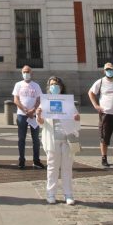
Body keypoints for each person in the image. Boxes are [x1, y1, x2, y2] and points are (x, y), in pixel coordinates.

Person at [36, 75, 81, 205]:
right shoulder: (45, 102)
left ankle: (68, 194)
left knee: (67, 167)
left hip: (67, 138)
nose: (54, 86)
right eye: (51, 84)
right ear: (49, 87)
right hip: (52, 138)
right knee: (52, 168)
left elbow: (76, 120)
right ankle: (51, 194)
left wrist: (77, 118)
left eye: (56, 84)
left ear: (61, 87)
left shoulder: (68, 102)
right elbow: (41, 123)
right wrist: (38, 115)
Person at [12, 65, 44, 169]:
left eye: (28, 72)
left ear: (31, 73)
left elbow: (39, 100)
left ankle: (36, 160)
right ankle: (21, 160)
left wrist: (33, 110)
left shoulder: (36, 85)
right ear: (22, 73)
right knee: (21, 138)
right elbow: (16, 100)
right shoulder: (18, 85)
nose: (26, 73)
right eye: (24, 72)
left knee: (36, 139)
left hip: (34, 116)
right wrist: (25, 110)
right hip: (22, 116)